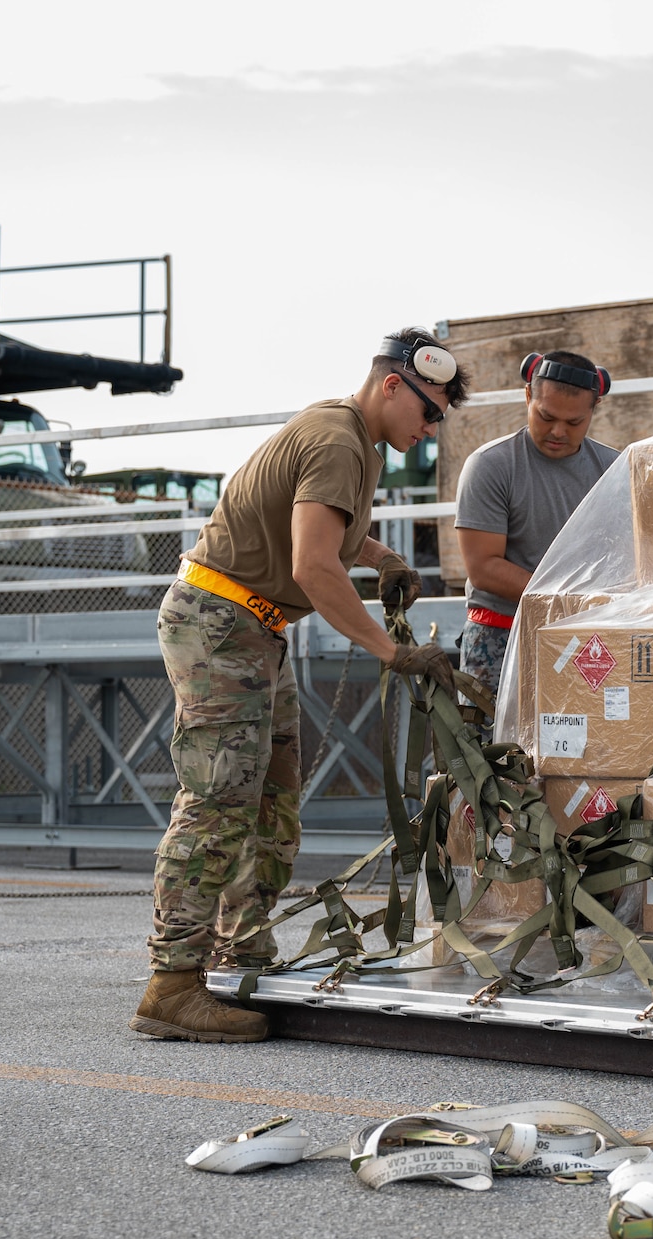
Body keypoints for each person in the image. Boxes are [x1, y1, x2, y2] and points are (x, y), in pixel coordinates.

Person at [130, 328, 467, 1043]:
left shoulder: (357, 442)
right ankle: (172, 984)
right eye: (429, 412)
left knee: (272, 795)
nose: (431, 429)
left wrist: (379, 557)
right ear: (392, 386)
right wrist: (391, 651)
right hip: (221, 622)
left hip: (253, 628)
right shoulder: (339, 440)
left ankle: (241, 950)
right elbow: (313, 566)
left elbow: (325, 534)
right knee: (218, 801)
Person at [453, 351, 616, 698]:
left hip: (585, 637)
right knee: (491, 735)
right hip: (501, 638)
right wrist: (568, 603)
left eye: (574, 422)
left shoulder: (612, 470)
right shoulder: (491, 466)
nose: (558, 431)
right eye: (546, 416)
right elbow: (484, 568)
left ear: (594, 408)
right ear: (528, 395)